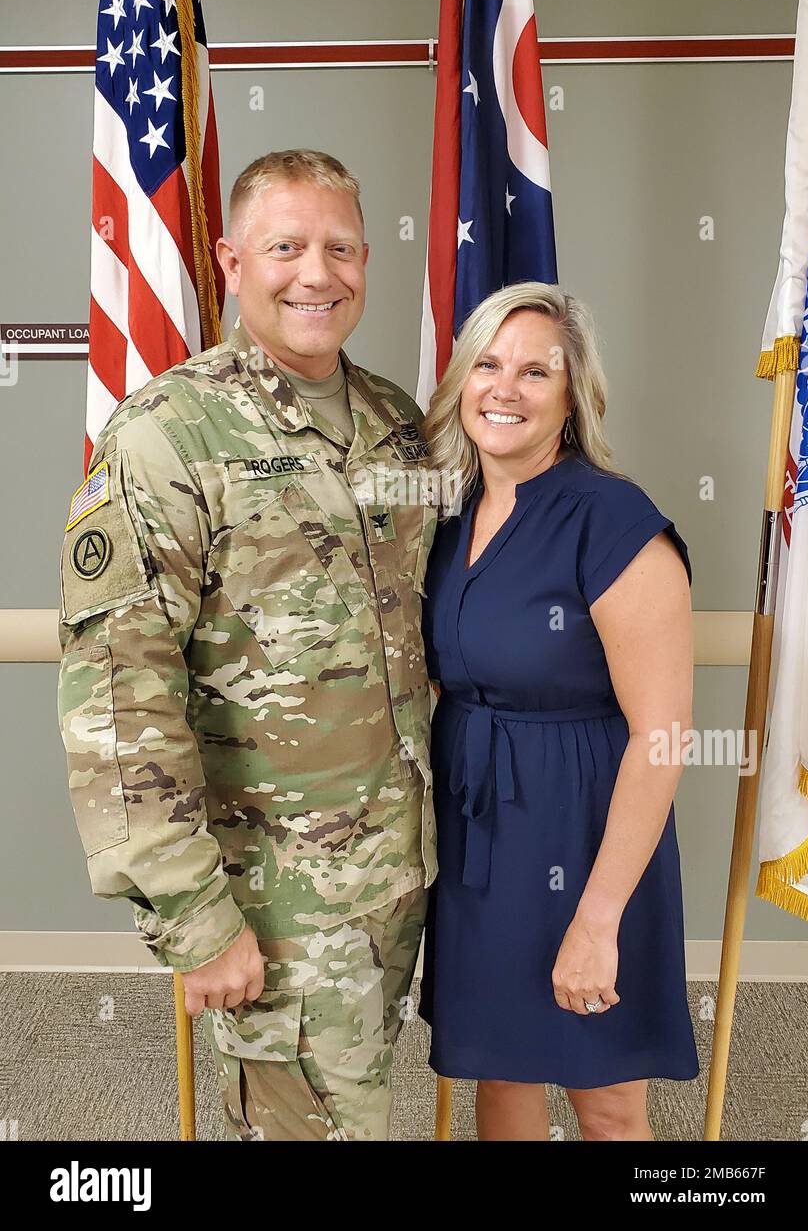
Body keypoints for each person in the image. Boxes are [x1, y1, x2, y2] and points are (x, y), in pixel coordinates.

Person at [57, 149, 438, 1142]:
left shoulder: (395, 424)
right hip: (270, 899)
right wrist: (194, 918)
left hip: (394, 879)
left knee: (356, 1111)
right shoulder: (165, 437)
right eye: (285, 246)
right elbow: (116, 697)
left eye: (339, 247)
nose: (316, 272)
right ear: (230, 260)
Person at [417, 281, 699, 1141]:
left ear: (572, 397)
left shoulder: (613, 520)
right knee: (499, 1073)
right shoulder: (448, 513)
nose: (504, 389)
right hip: (479, 834)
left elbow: (662, 737)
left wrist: (597, 917)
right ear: (462, 378)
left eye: (535, 372)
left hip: (585, 830)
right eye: (488, 365)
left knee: (605, 1099)